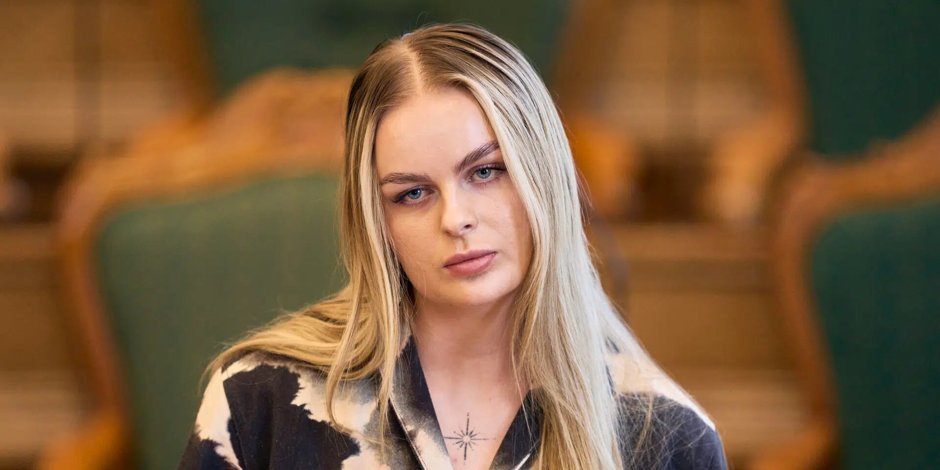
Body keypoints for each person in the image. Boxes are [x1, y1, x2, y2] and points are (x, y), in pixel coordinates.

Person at [179, 23, 726, 469]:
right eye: (413, 194)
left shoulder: (665, 437)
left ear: (544, 177)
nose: (456, 219)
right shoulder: (259, 403)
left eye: (485, 172)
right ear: (376, 220)